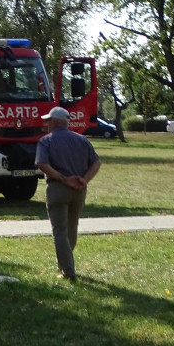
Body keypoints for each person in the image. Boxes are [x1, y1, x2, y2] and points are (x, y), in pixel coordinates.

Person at [35, 106, 101, 281]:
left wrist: (63, 178)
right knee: (72, 227)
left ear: (56, 122)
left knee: (59, 230)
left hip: (58, 188)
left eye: (48, 120)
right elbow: (96, 163)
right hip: (79, 190)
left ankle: (68, 270)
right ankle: (66, 262)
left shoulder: (46, 141)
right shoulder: (82, 140)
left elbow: (42, 164)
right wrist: (85, 179)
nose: (46, 123)